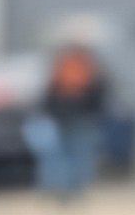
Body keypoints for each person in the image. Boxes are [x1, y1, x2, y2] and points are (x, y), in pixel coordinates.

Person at [36, 29, 116, 201]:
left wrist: (48, 111)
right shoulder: (91, 65)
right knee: (81, 153)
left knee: (63, 152)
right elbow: (102, 92)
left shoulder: (62, 64)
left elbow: (49, 91)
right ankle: (75, 190)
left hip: (63, 115)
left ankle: (60, 187)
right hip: (85, 116)